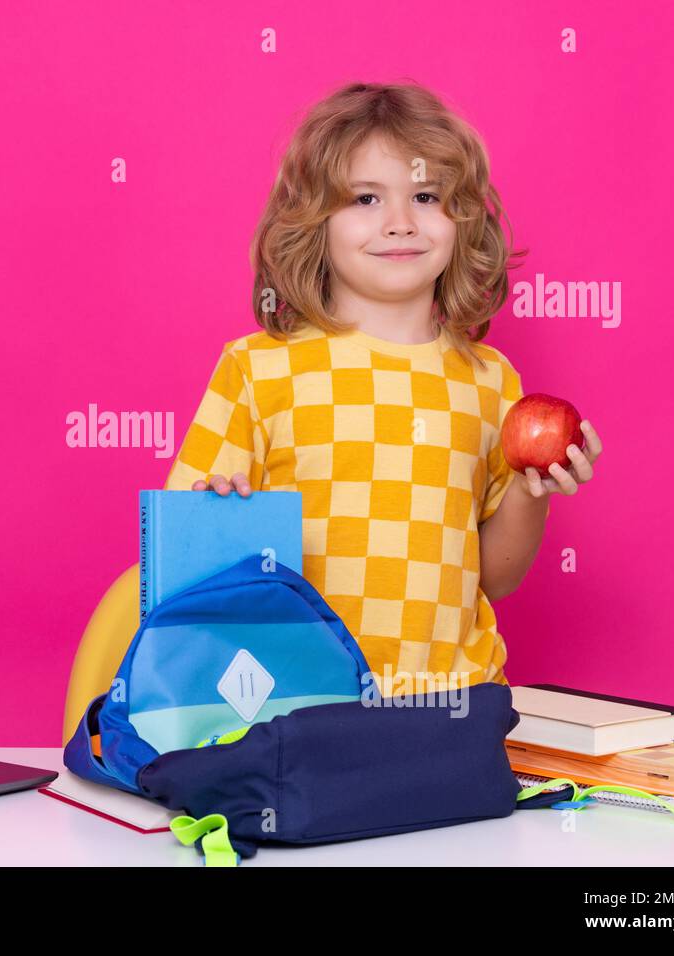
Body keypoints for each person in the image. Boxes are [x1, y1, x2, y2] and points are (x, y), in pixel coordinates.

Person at [163, 82, 603, 696]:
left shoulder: (488, 381)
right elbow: (187, 559)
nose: (400, 223)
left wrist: (536, 492)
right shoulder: (259, 369)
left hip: (451, 703)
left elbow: (494, 577)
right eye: (366, 198)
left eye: (426, 196)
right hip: (296, 703)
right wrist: (218, 516)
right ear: (314, 221)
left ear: (462, 220)